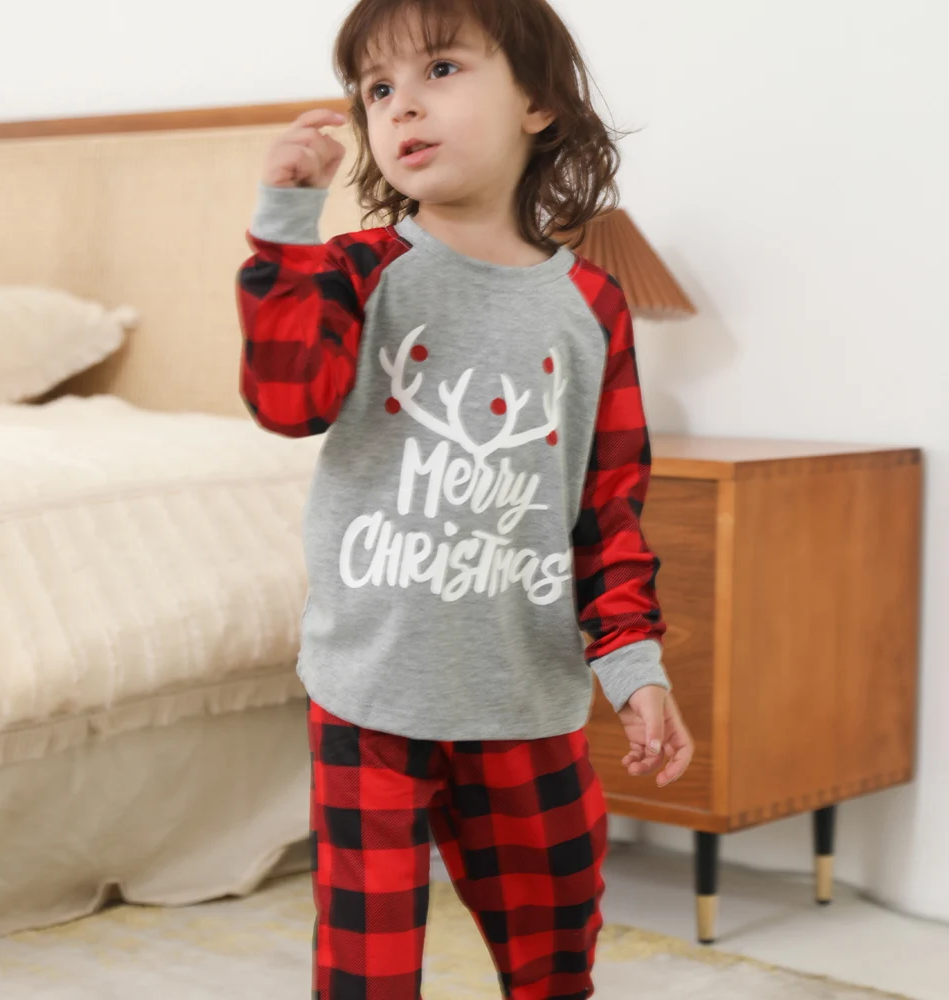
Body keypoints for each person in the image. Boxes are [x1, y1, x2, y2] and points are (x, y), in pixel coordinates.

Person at [236, 0, 694, 995]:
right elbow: (285, 398)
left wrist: (633, 663)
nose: (401, 105)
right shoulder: (357, 272)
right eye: (377, 89)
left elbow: (607, 507)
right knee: (366, 970)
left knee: (554, 955)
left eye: (440, 69)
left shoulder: (593, 307)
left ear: (537, 103)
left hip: (524, 697)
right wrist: (285, 226)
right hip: (370, 695)